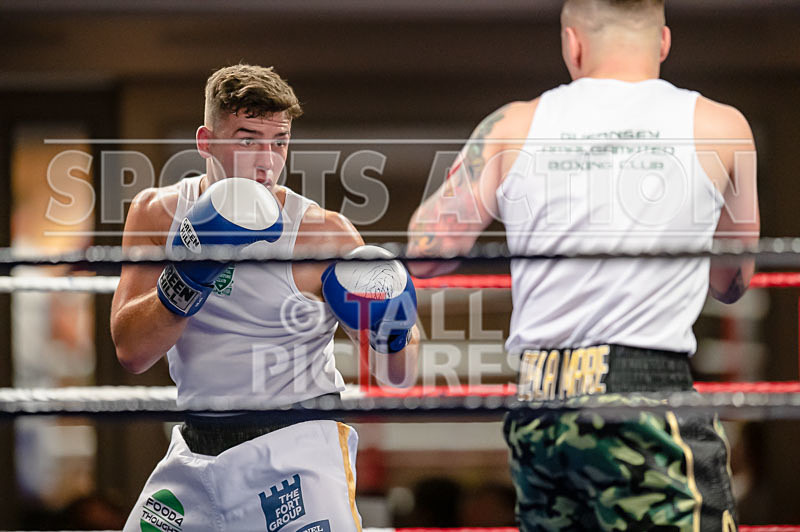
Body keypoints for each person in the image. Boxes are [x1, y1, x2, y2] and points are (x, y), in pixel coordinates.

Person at [407, 0, 759, 530]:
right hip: (642, 394)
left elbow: (426, 252)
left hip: (541, 401)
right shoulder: (721, 125)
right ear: (663, 42)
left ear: (572, 43)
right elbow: (733, 282)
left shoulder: (513, 124)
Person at [111, 63, 419, 531]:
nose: (267, 162)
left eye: (279, 142)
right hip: (196, 451)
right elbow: (131, 351)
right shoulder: (158, 214)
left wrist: (395, 334)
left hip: (295, 450)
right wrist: (189, 276)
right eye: (248, 139)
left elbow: (398, 378)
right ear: (206, 142)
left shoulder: (321, 235)